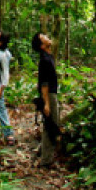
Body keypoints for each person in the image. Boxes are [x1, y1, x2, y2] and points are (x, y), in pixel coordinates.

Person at [30, 32, 60, 166]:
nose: (48, 37)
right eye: (44, 38)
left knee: (50, 124)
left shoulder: (49, 57)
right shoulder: (44, 60)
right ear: (42, 45)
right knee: (51, 126)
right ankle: (46, 160)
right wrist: (46, 103)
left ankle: (42, 152)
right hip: (49, 96)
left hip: (52, 94)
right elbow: (44, 84)